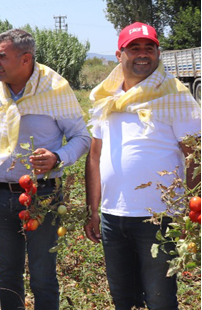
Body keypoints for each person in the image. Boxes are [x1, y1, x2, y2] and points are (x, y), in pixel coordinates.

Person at [84, 22, 201, 310]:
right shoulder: (106, 100)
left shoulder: (174, 96)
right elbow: (95, 157)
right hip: (113, 217)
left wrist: (190, 214)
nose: (143, 54)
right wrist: (93, 210)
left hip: (159, 218)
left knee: (160, 300)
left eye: (150, 48)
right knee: (124, 300)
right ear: (119, 54)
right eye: (134, 48)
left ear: (158, 52)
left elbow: (194, 159)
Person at [0, 29, 90, 310]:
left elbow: (82, 138)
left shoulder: (55, 89)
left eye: (1, 56)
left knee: (42, 272)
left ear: (25, 59)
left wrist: (57, 157)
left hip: (43, 194)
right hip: (1, 195)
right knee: (7, 272)